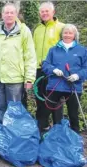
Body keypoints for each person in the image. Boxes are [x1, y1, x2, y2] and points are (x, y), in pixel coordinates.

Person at [0, 3, 37, 122]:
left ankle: (13, 135)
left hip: (15, 80)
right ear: (2, 15)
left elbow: (30, 56)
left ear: (16, 14)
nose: (9, 15)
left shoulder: (24, 31)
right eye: (6, 13)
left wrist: (29, 78)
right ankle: (2, 135)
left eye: (12, 12)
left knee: (14, 110)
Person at [41, 24, 87, 134]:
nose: (67, 35)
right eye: (65, 32)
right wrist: (53, 70)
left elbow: (85, 68)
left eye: (70, 33)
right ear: (62, 34)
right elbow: (46, 64)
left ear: (74, 35)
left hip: (73, 87)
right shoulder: (53, 50)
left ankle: (75, 137)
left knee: (73, 114)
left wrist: (78, 75)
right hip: (55, 85)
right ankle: (53, 136)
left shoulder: (82, 50)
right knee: (49, 112)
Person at [33, 2, 65, 132]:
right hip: (38, 69)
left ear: (53, 12)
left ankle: (57, 129)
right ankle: (43, 127)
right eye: (42, 11)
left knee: (56, 101)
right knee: (40, 99)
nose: (44, 13)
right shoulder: (37, 29)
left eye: (47, 11)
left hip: (54, 71)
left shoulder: (62, 28)